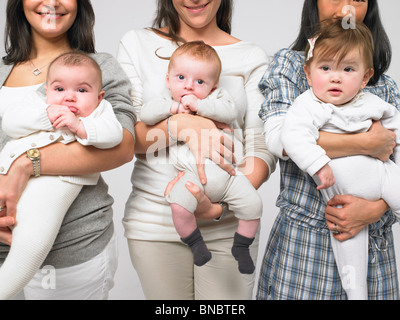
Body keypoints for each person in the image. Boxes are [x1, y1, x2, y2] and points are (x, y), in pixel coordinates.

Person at [118, 0, 276, 299]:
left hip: (228, 223)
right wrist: (183, 126)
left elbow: (261, 144)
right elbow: (130, 139)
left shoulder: (250, 56)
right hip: (155, 223)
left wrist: (220, 205)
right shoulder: (137, 43)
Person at [257, 0, 400, 300]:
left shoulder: (384, 87)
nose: (346, 7)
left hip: (374, 245)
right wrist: (369, 143)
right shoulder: (292, 66)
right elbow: (281, 140)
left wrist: (376, 209)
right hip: (304, 249)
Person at [0, 0, 135, 300]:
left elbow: (124, 144)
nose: (52, 2)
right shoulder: (4, 70)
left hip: (71, 249)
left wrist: (27, 164)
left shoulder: (97, 66)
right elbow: (11, 126)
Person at [140, 41, 262, 274]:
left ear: (213, 85)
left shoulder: (218, 98)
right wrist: (175, 109)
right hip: (190, 178)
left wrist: (201, 106)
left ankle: (241, 246)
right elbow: (146, 115)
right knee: (178, 205)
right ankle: (196, 244)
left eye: (199, 82)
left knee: (254, 206)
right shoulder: (166, 101)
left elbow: (230, 112)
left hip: (229, 177)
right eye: (181, 78)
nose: (189, 87)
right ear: (168, 79)